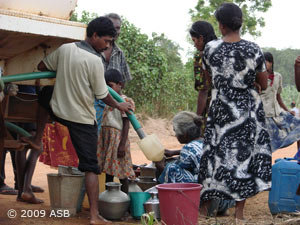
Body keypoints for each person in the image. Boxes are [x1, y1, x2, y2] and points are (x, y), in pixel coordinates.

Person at [21, 17, 132, 224]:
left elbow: (41, 64)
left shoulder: (65, 49)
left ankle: (37, 137)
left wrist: (64, 72)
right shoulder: (95, 61)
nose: (108, 46)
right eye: (106, 41)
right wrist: (119, 105)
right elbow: (102, 95)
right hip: (81, 119)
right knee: (91, 166)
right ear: (95, 35)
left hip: (58, 110)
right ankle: (94, 216)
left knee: (46, 93)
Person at [198, 3, 272, 224]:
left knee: (213, 156)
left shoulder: (209, 49)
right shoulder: (254, 49)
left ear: (220, 25)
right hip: (247, 111)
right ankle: (239, 214)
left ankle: (204, 210)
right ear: (239, 23)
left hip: (220, 109)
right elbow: (264, 84)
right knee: (244, 159)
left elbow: (210, 79)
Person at [97, 69, 135, 194]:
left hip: (117, 140)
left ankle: (125, 202)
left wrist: (122, 144)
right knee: (108, 172)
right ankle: (110, 201)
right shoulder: (106, 100)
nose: (108, 89)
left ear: (120, 84)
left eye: (111, 86)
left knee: (122, 173)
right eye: (106, 86)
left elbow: (126, 124)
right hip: (106, 138)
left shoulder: (125, 101)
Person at [260, 52, 300, 152]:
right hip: (264, 114)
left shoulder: (278, 76)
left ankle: (298, 156)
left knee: (297, 126)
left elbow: (278, 97)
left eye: (268, 61)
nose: (265, 64)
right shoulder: (258, 77)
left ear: (272, 63)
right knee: (266, 144)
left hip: (277, 113)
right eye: (263, 62)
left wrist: (287, 110)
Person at [189, 20, 217, 134]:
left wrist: (198, 118)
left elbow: (203, 90)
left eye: (194, 40)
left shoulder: (201, 56)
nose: (194, 44)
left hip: (212, 110)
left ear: (201, 38)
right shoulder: (227, 48)